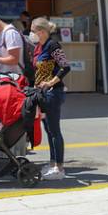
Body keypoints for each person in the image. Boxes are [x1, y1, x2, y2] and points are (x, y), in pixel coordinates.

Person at [30, 17, 71, 180]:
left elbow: (65, 66)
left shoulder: (53, 45)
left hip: (53, 93)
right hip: (42, 94)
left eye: (33, 30)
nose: (31, 34)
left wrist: (51, 82)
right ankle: (53, 162)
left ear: (41, 31)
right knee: (48, 129)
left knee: (54, 130)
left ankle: (59, 168)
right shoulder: (39, 47)